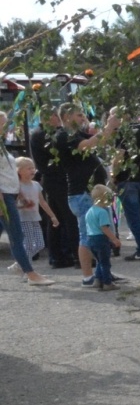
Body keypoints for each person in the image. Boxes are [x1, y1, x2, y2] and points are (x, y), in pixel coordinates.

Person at [55, 103, 120, 277]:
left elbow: (100, 140)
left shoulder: (75, 134)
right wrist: (108, 126)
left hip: (92, 194)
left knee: (100, 236)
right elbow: (87, 144)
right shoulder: (63, 136)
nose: (83, 118)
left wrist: (111, 128)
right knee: (87, 236)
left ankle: (103, 272)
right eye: (79, 115)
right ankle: (88, 276)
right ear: (67, 117)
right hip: (81, 194)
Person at [0, 113, 53, 286]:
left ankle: (26, 270)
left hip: (10, 194)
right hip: (3, 196)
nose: (5, 127)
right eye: (2, 124)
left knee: (15, 234)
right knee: (17, 235)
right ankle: (30, 273)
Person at [110, 107, 140, 260]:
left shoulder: (122, 133)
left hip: (127, 178)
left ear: (120, 117)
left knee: (134, 216)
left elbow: (119, 157)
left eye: (112, 117)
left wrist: (113, 175)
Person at [31, 107, 74, 268]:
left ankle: (60, 255)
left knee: (58, 219)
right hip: (54, 180)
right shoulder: (41, 135)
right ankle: (60, 255)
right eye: (55, 116)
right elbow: (57, 151)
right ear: (46, 119)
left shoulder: (48, 133)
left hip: (56, 179)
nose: (58, 119)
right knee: (61, 217)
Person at [14, 156, 59, 265]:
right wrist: (22, 205)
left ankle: (19, 263)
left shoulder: (36, 185)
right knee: (28, 244)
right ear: (19, 171)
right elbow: (14, 203)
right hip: (23, 218)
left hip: (35, 217)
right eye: (28, 168)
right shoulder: (17, 186)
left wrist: (52, 216)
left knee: (40, 244)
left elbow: (42, 202)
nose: (32, 170)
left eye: (33, 168)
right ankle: (27, 270)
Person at [80, 184, 120, 290]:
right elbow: (104, 228)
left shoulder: (89, 211)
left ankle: (97, 280)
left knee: (99, 261)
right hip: (101, 239)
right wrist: (114, 239)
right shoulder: (102, 212)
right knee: (105, 263)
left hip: (91, 238)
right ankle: (107, 283)